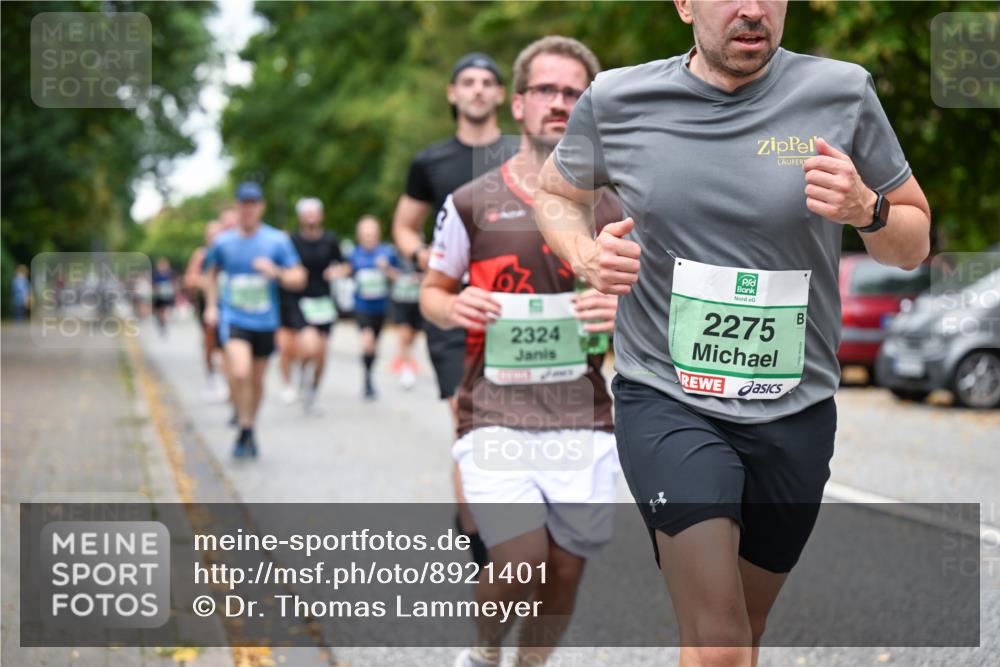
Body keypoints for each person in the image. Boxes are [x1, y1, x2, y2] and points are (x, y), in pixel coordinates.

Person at [535, 2, 932, 665]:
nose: (752, 10)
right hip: (667, 398)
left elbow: (912, 244)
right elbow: (556, 193)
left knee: (741, 628)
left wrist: (869, 207)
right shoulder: (619, 99)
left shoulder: (842, 92)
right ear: (685, 3)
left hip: (795, 411)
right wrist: (586, 256)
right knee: (720, 641)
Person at [420, 36, 621, 667]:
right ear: (519, 104)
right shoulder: (470, 203)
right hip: (494, 411)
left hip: (582, 416)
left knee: (564, 571)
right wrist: (453, 307)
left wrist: (622, 310)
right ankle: (483, 654)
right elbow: (432, 291)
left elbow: (658, 300)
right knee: (520, 558)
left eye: (574, 93)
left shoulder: (617, 204)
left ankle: (531, 663)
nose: (560, 103)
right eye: (546, 90)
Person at [392, 51, 519, 566]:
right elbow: (404, 224)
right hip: (452, 307)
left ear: (501, 96)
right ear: (452, 93)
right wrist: (425, 256)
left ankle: (502, 515)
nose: (477, 89)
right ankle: (481, 541)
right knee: (467, 419)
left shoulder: (521, 155)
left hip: (516, 306)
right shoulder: (430, 162)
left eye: (488, 81)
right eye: (467, 81)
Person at [203, 182, 306, 458]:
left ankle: (248, 428)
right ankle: (242, 420)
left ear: (261, 207)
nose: (248, 209)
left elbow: (299, 277)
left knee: (258, 381)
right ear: (237, 206)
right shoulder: (223, 242)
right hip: (234, 316)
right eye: (243, 204)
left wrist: (276, 272)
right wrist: (211, 306)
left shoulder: (276, 241)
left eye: (253, 204)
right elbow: (210, 273)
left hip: (265, 320)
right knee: (239, 371)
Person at [276, 197, 344, 414]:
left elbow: (344, 263)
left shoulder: (330, 240)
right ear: (301, 217)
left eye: (315, 212)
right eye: (307, 213)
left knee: (322, 353)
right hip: (299, 301)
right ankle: (299, 374)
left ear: (321, 215)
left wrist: (338, 271)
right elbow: (282, 266)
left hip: (323, 301)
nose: (311, 217)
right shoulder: (292, 241)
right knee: (309, 345)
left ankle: (312, 391)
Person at [347, 215, 398, 400]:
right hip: (361, 306)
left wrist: (386, 269)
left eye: (372, 234)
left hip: (380, 307)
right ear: (360, 235)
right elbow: (347, 272)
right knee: (367, 341)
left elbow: (396, 277)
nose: (369, 237)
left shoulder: (387, 253)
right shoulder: (354, 254)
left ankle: (369, 375)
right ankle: (367, 380)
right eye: (365, 234)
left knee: (374, 346)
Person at [184, 220, 228, 402]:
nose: (216, 238)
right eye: (212, 235)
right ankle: (212, 378)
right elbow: (189, 279)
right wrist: (207, 282)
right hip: (207, 304)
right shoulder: (201, 254)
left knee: (227, 345)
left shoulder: (229, 252)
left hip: (227, 304)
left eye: (219, 234)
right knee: (210, 343)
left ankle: (226, 380)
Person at [388, 255, 422, 390]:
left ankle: (405, 359)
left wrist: (419, 278)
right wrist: (393, 274)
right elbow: (388, 273)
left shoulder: (422, 255)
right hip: (400, 301)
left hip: (416, 302)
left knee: (411, 338)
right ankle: (406, 369)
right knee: (404, 336)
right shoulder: (394, 255)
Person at [151, 257, 176, 336]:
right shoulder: (156, 276)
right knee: (159, 311)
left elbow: (174, 284)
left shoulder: (170, 275)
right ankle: (161, 322)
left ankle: (163, 324)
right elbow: (153, 285)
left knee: (165, 310)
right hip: (159, 296)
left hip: (167, 296)